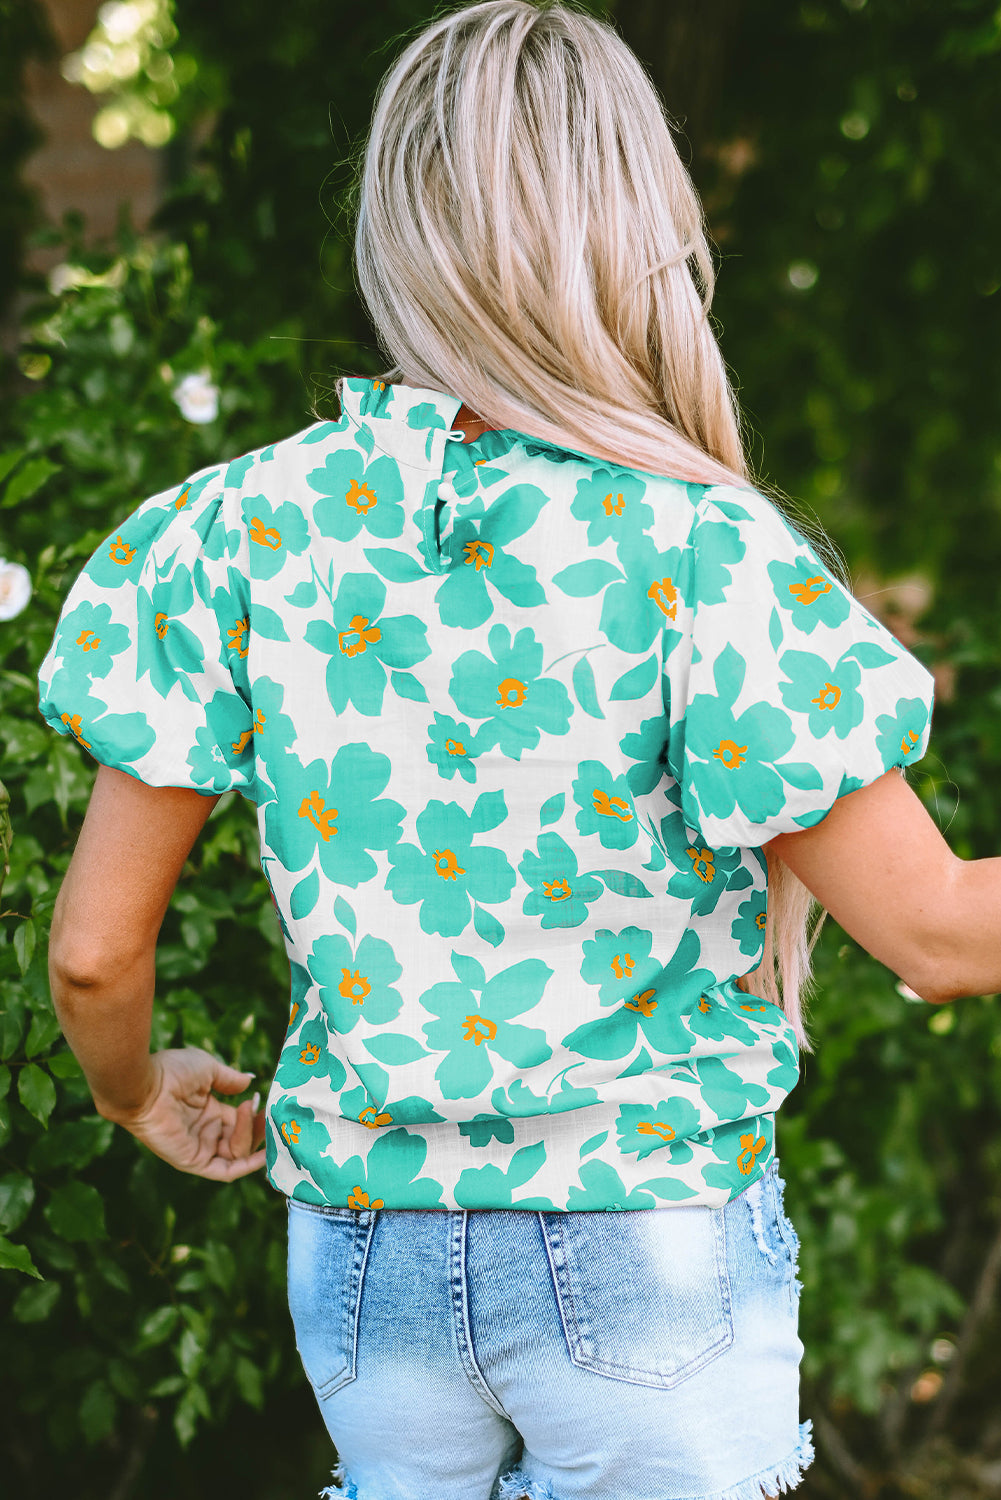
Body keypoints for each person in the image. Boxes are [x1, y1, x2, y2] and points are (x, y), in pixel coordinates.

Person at [35, 3, 998, 1498]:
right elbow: (936, 934)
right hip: (647, 1250)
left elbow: (97, 957)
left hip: (362, 1266)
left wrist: (131, 1092)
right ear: (638, 229)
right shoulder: (694, 551)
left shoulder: (236, 529)